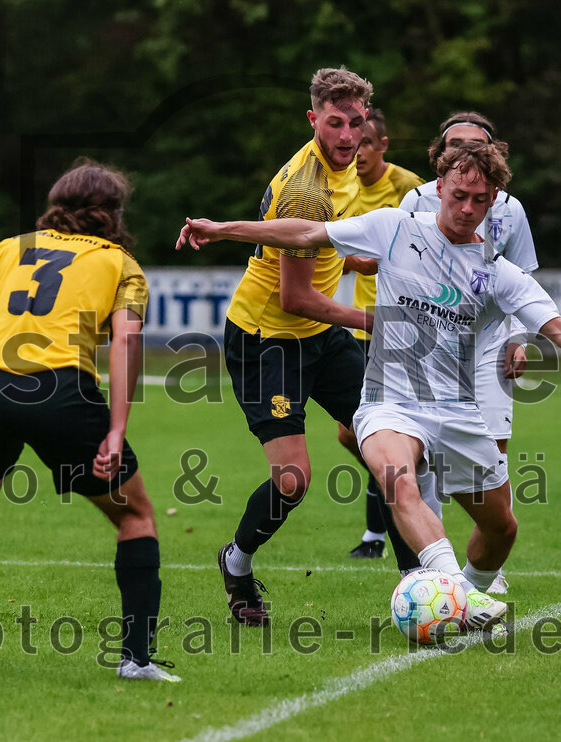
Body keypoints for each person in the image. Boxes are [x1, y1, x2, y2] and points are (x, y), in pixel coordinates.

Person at [177, 141, 561, 630]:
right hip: (389, 401)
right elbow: (305, 231)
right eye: (459, 195)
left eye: (480, 200)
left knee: (501, 528)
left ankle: (468, 590)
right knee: (397, 480)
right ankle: (454, 595)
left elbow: (559, 328)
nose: (467, 208)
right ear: (439, 187)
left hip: (457, 411)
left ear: (493, 201)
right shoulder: (395, 228)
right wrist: (223, 229)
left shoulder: (498, 273)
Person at [0, 160, 180, 682]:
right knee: (136, 516)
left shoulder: (8, 248)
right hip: (61, 392)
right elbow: (126, 340)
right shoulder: (121, 263)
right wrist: (116, 430)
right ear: (113, 213)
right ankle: (136, 659)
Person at [208, 67, 375, 627]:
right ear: (313, 120)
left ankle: (419, 579)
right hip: (269, 339)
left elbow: (327, 244)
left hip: (319, 336)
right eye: (336, 123)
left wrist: (359, 260)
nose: (348, 134)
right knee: (292, 480)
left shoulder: (346, 168)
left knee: (394, 448)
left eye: (356, 122)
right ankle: (236, 562)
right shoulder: (306, 189)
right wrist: (374, 319)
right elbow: (295, 297)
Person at [399, 112, 538, 593]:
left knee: (493, 449)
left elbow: (522, 277)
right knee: (422, 456)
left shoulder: (510, 208)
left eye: (475, 144)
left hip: (489, 341)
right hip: (431, 342)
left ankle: (488, 569)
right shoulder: (416, 199)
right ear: (440, 157)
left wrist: (520, 337)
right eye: (453, 144)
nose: (463, 152)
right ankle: (437, 568)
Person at [341, 107, 426, 561]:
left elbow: (427, 248)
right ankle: (399, 483)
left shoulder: (408, 188)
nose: (358, 153)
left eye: (367, 144)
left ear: (383, 146)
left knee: (383, 430)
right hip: (362, 325)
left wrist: (370, 260)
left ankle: (377, 535)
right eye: (354, 145)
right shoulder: (342, 185)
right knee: (350, 433)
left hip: (404, 327)